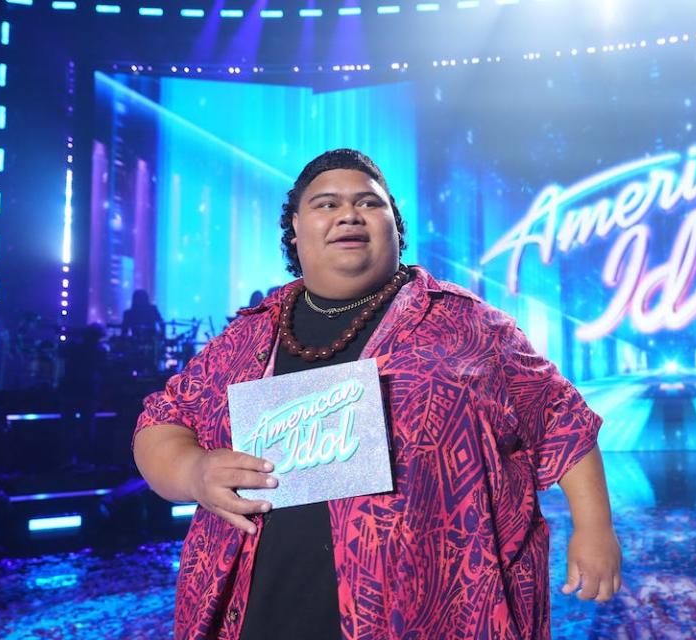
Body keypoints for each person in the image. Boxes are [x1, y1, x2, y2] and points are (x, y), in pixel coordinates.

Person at [133, 149, 621, 640]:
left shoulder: (470, 326)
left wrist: (594, 529)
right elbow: (160, 423)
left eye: (369, 202)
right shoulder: (244, 339)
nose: (348, 214)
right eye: (326, 204)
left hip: (433, 611)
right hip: (262, 611)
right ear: (295, 229)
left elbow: (562, 418)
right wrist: (194, 472)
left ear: (394, 224)